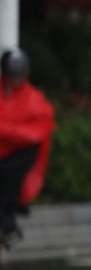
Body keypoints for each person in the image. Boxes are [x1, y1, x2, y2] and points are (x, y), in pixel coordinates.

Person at [0, 49, 55, 250]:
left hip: (16, 160)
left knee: (7, 187)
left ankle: (8, 227)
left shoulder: (33, 99)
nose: (15, 81)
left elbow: (38, 130)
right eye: (12, 76)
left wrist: (5, 130)